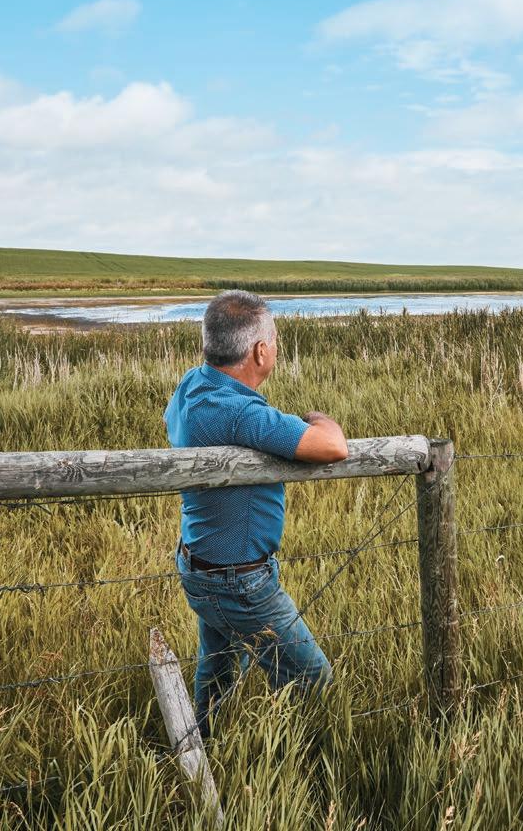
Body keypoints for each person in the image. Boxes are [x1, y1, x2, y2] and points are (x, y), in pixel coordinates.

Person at [164, 289, 348, 735]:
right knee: (314, 679)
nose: (277, 348)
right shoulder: (238, 413)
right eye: (276, 340)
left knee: (218, 671)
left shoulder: (192, 385)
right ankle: (311, 759)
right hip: (239, 582)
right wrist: (319, 418)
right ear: (260, 351)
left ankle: (205, 746)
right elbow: (332, 446)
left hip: (200, 562)